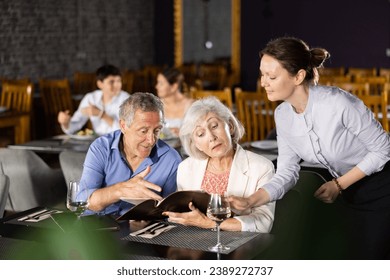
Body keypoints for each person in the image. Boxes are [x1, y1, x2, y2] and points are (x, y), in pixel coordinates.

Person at [228, 37, 390, 258]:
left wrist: (338, 185)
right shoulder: (282, 115)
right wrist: (250, 201)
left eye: (272, 76)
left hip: (382, 189)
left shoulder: (338, 103)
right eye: (262, 74)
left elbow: (383, 150)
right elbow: (286, 172)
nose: (263, 82)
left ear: (299, 76)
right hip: (346, 196)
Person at [163, 96, 275, 232]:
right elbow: (184, 215)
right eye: (200, 134)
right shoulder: (186, 168)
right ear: (196, 144)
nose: (211, 137)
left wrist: (209, 223)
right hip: (195, 245)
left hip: (240, 247)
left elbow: (263, 223)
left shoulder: (262, 167)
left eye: (214, 126)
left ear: (230, 126)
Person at [78, 92, 182, 216]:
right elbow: (81, 203)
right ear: (123, 126)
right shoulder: (101, 148)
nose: (152, 140)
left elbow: (170, 214)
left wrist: (150, 218)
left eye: (157, 130)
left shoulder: (171, 159)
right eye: (143, 131)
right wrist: (119, 191)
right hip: (98, 229)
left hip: (142, 232)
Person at [58, 64, 130, 136]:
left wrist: (101, 114)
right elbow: (74, 126)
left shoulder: (127, 100)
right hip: (97, 141)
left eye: (119, 81)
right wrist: (65, 123)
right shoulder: (91, 98)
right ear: (100, 84)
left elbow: (127, 130)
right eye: (111, 82)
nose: (117, 85)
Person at [155, 67, 193, 138]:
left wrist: (183, 133)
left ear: (174, 87)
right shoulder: (157, 105)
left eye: (161, 84)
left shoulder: (190, 106)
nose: (156, 86)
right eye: (158, 82)